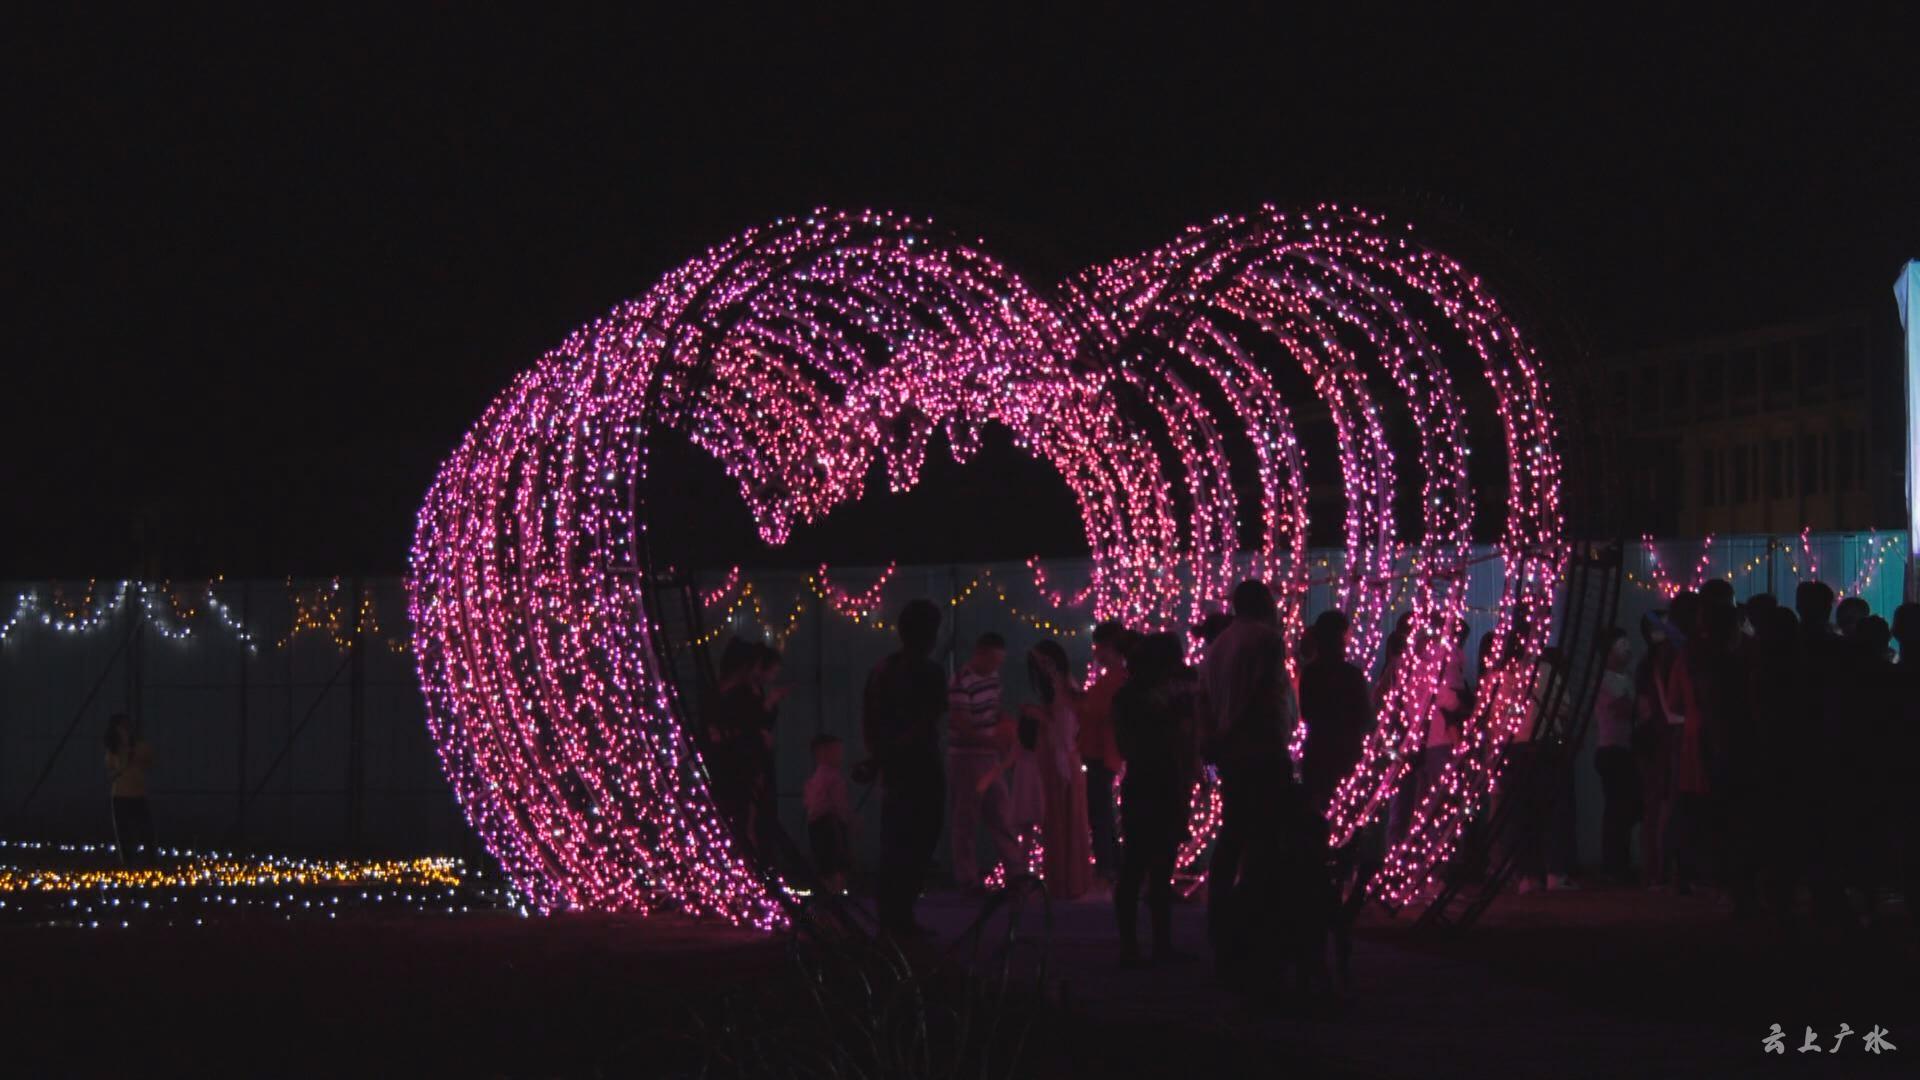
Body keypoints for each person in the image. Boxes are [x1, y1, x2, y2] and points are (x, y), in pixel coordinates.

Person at [1197, 580, 1295, 979]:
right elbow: (1264, 696)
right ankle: (1256, 931)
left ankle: (1222, 925)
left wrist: (1212, 754)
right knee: (1265, 841)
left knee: (1232, 836)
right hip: (1261, 751)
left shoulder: (1218, 646)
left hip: (1230, 755)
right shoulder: (1267, 641)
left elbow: (1205, 704)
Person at [862, 599, 948, 937]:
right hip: (920, 766)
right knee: (919, 839)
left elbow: (869, 720)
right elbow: (929, 719)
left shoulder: (882, 670)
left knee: (896, 840)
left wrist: (879, 755)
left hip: (894, 767)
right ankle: (900, 916)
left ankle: (892, 917)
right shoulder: (929, 672)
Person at [1111, 632, 1197, 966]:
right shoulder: (1170, 697)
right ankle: (1157, 946)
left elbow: (1127, 745)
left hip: (1144, 783)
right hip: (1163, 783)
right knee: (1156, 869)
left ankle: (1132, 947)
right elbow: (1189, 740)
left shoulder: (1129, 695)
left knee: (1136, 866)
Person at [947, 632, 1021, 891]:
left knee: (1002, 816)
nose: (995, 667)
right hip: (967, 759)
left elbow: (994, 709)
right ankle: (967, 879)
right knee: (966, 819)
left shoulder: (992, 677)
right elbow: (961, 725)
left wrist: (1005, 723)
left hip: (989, 758)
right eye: (992, 661)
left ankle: (1016, 875)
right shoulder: (961, 682)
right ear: (979, 654)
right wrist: (992, 741)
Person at [1025, 639, 1093, 900]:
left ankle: (1066, 882)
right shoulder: (1062, 687)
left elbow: (1064, 730)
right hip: (1057, 761)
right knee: (1060, 820)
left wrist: (1041, 717)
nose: (1044, 668)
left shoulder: (1062, 687)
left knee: (1062, 820)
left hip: (1059, 761)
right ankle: (1065, 881)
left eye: (1046, 662)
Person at [1297, 611, 1374, 813]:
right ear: (1340, 637)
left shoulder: (1310, 674)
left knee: (1317, 814)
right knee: (1346, 814)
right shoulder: (1351, 674)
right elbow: (1364, 717)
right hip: (1346, 754)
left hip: (1317, 753)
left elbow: (1306, 713)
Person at [1078, 621, 1133, 885]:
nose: (1096, 653)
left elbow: (1098, 712)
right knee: (1102, 811)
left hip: (1102, 752)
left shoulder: (1117, 680)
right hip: (1103, 752)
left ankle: (1107, 867)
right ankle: (1111, 864)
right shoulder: (1117, 678)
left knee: (1100, 812)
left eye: (1099, 647)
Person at [707, 639, 772, 849]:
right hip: (740, 760)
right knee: (743, 813)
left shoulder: (721, 691)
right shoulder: (740, 693)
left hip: (734, 759)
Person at [1592, 628, 1640, 885]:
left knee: (1622, 809)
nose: (1628, 649)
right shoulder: (1604, 680)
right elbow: (1622, 708)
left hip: (1623, 748)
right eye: (1622, 645)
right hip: (1612, 748)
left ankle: (1619, 862)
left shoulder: (1626, 677)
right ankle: (1614, 865)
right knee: (1616, 809)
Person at [804, 734, 854, 894]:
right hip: (830, 825)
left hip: (817, 825)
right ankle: (834, 896)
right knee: (835, 865)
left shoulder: (816, 779)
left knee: (825, 865)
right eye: (836, 751)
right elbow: (839, 804)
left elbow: (809, 803)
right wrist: (849, 820)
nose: (840, 756)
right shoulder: (832, 778)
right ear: (822, 753)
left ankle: (828, 895)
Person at [104, 713, 156, 866]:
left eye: (127, 726)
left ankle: (151, 860)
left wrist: (133, 750)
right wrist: (124, 752)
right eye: (121, 727)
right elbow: (114, 769)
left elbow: (149, 760)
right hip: (120, 795)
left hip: (138, 793)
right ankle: (127, 862)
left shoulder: (139, 747)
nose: (125, 730)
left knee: (146, 830)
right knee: (124, 833)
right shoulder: (113, 750)